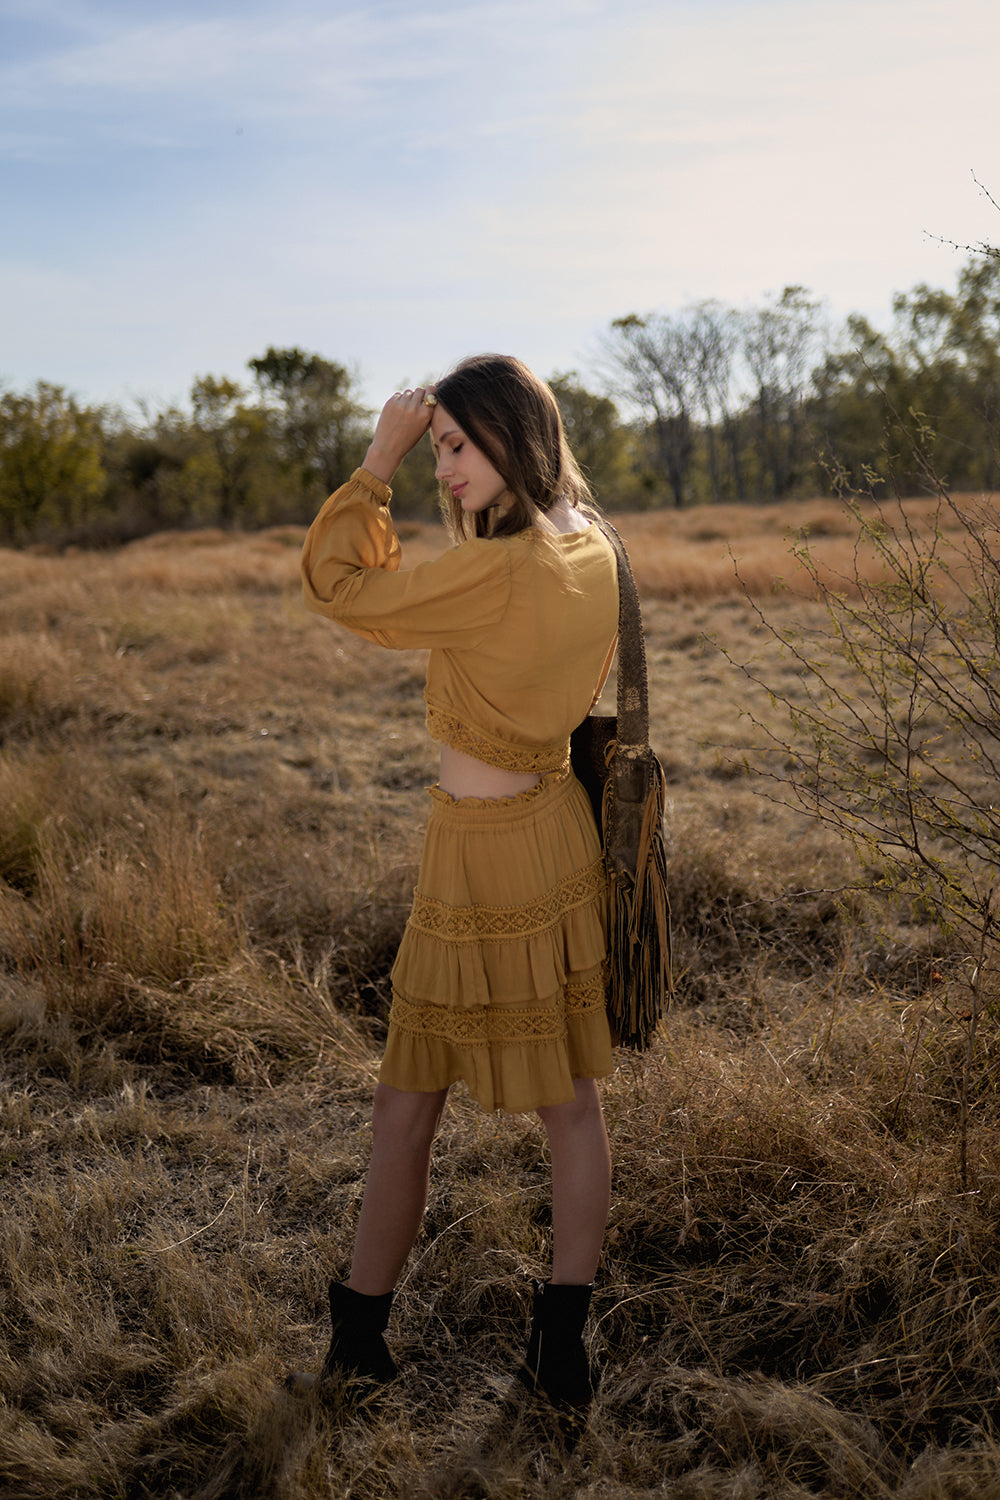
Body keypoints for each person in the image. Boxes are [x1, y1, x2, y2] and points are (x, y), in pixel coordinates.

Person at [292, 354, 619, 1414]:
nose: (441, 467)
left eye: (455, 445)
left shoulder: (502, 565)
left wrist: (376, 462)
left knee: (408, 1105)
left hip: (483, 852)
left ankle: (360, 1340)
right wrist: (445, 472)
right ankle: (556, 1349)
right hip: (553, 834)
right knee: (565, 1108)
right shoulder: (590, 544)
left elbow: (343, 586)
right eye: (432, 449)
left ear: (511, 437)